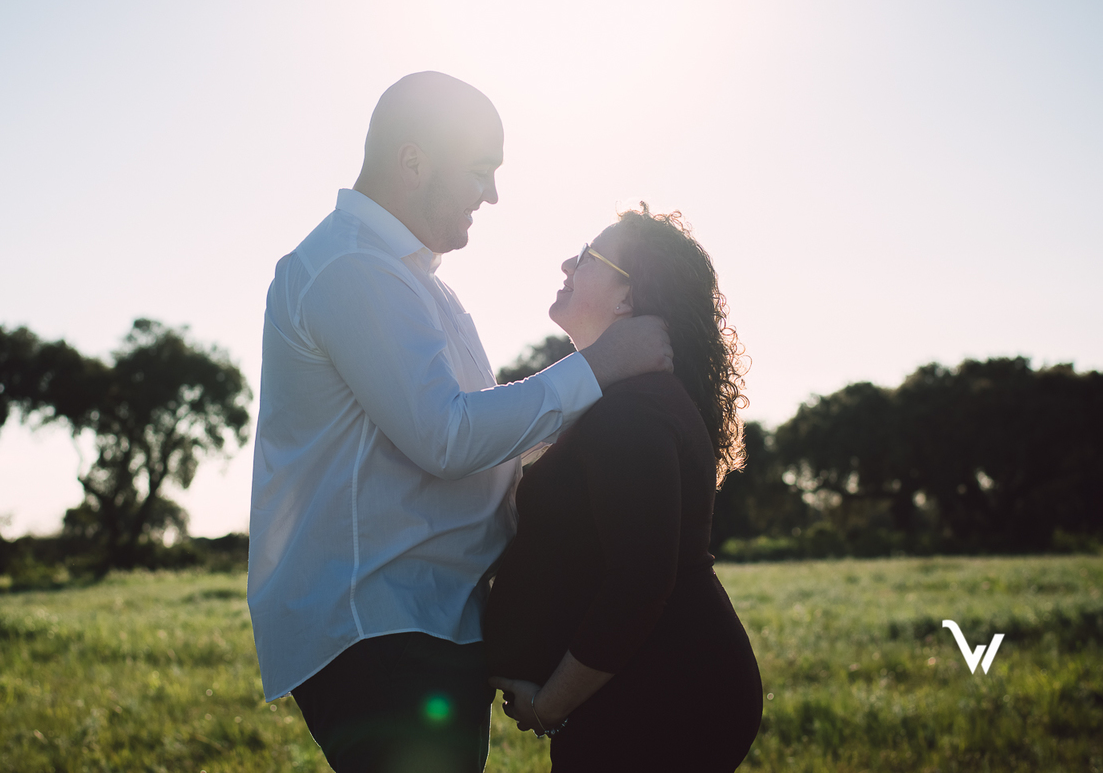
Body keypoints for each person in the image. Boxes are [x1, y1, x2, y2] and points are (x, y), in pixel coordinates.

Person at [246, 72, 673, 773]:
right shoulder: (351, 268)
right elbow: (446, 437)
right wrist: (600, 366)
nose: (493, 195)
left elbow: (480, 438)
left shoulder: (412, 279)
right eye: (481, 171)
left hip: (425, 619)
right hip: (381, 624)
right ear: (413, 161)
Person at [484, 205, 763, 772]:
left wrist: (550, 704)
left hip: (660, 699)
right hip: (650, 685)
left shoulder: (632, 414)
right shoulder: (623, 403)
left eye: (588, 256)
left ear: (626, 298)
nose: (568, 262)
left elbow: (639, 580)